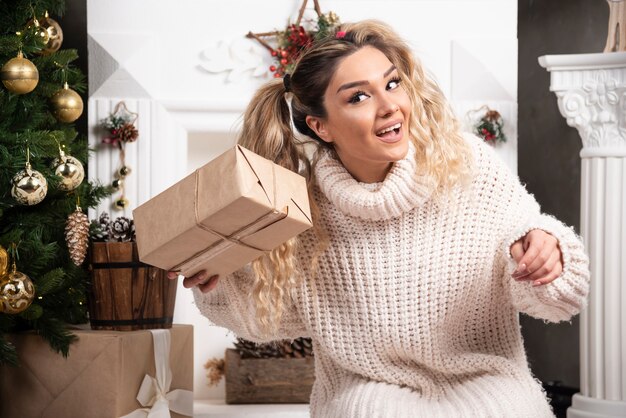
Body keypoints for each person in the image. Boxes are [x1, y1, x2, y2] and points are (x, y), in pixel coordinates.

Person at [168, 20, 590, 417]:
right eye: (359, 97)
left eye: (392, 84)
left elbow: (553, 296)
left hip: (488, 377)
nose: (390, 106)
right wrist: (220, 280)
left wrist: (547, 254)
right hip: (366, 387)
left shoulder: (466, 163)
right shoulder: (300, 208)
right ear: (321, 126)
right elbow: (265, 319)